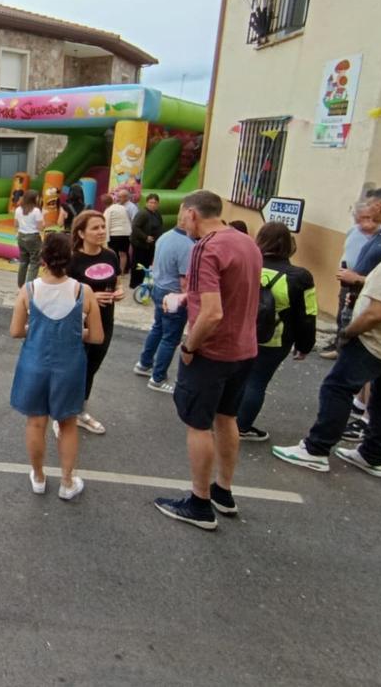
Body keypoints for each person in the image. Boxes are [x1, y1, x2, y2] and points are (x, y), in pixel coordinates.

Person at [273, 200, 381, 478]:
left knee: (337, 387)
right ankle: (373, 455)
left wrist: (349, 332)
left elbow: (377, 312)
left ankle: (316, 449)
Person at [153, 190, 262, 531]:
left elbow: (213, 313)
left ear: (191, 213)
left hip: (212, 351)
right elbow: (234, 293)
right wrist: (190, 298)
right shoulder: (246, 242)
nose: (181, 221)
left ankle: (199, 503)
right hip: (245, 348)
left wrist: (189, 347)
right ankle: (223, 491)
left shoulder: (205, 247)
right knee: (227, 417)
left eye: (183, 215)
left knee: (198, 424)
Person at [9, 232, 104, 498]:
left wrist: (38, 329)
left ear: (42, 259)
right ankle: (66, 482)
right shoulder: (83, 291)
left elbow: (16, 331)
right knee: (68, 424)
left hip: (34, 363)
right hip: (70, 366)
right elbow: (96, 336)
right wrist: (76, 332)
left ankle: (38, 477)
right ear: (70, 258)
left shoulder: (28, 290)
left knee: (35, 423)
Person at [330, 187, 381, 431]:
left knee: (350, 377)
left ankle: (360, 424)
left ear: (380, 207)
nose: (368, 212)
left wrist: (358, 279)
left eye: (372, 206)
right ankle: (362, 407)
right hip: (358, 300)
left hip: (374, 311)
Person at [235, 222, 317, 441]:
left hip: (239, 332)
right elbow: (308, 316)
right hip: (274, 339)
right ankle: (241, 427)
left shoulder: (246, 264)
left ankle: (222, 419)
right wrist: (304, 345)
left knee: (235, 377)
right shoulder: (300, 277)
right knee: (257, 381)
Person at [68, 209, 122, 435]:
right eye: (95, 228)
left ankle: (79, 411)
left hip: (105, 321)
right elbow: (60, 292)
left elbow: (117, 280)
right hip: (77, 323)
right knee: (74, 368)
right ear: (81, 233)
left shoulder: (110, 255)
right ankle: (65, 413)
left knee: (91, 367)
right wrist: (87, 298)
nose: (101, 231)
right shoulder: (72, 259)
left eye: (103, 227)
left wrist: (119, 292)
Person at [133, 209, 194, 394]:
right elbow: (185, 280)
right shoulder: (188, 245)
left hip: (158, 289)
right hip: (174, 294)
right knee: (170, 338)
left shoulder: (165, 236)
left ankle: (144, 364)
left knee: (158, 328)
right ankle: (158, 378)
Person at [319, 202, 379, 360]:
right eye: (363, 217)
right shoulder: (353, 231)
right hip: (347, 281)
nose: (367, 221)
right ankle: (339, 345)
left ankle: (347, 349)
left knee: (358, 315)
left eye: (371, 218)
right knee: (342, 314)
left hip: (364, 281)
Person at [130, 193, 164, 288]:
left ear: (158, 204)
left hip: (151, 245)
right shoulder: (143, 213)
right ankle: (135, 284)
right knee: (138, 264)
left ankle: (144, 282)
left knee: (147, 264)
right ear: (146, 203)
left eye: (155, 203)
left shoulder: (157, 213)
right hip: (140, 244)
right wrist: (145, 237)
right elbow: (135, 227)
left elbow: (160, 226)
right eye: (150, 202)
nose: (153, 205)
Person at [14, 189, 44, 288]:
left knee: (23, 262)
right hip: (33, 237)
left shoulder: (18, 209)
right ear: (34, 199)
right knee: (34, 263)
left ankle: (20, 285)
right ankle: (29, 287)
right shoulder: (36, 211)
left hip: (21, 236)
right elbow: (40, 227)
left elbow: (15, 224)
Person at [103, 192, 132, 276]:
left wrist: (106, 239)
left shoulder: (108, 210)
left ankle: (114, 272)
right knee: (123, 253)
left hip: (114, 234)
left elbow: (106, 224)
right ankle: (122, 271)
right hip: (126, 234)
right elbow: (128, 220)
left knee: (113, 254)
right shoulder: (122, 208)